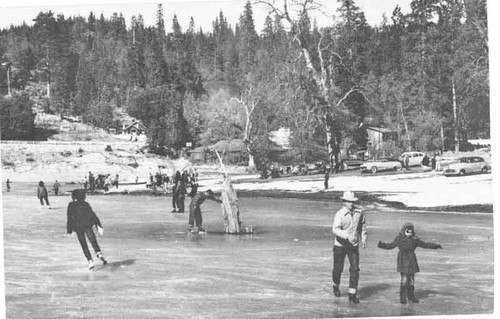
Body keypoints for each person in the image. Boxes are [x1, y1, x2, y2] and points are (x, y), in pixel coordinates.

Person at [377, 222, 442, 304]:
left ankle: (411, 296)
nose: (409, 234)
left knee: (411, 280)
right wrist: (381, 245)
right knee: (404, 280)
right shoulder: (399, 239)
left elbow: (425, 245)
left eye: (411, 232)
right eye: (408, 232)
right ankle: (403, 298)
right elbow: (391, 245)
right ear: (404, 231)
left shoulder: (415, 239)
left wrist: (435, 246)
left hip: (411, 261)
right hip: (403, 261)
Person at [331, 191, 367, 303]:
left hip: (353, 246)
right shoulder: (340, 214)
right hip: (340, 245)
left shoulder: (359, 212)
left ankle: (352, 294)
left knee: (355, 269)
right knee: (338, 268)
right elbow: (335, 229)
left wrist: (363, 238)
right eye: (348, 201)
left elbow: (363, 226)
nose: (351, 203)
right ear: (344, 202)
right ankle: (335, 285)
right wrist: (347, 236)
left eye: (352, 201)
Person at [67, 189, 108, 270]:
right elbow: (93, 215)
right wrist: (98, 225)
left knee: (84, 244)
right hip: (87, 225)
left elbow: (69, 218)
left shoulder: (71, 205)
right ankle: (98, 252)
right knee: (93, 240)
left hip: (78, 227)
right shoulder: (85, 204)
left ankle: (90, 261)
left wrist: (69, 230)